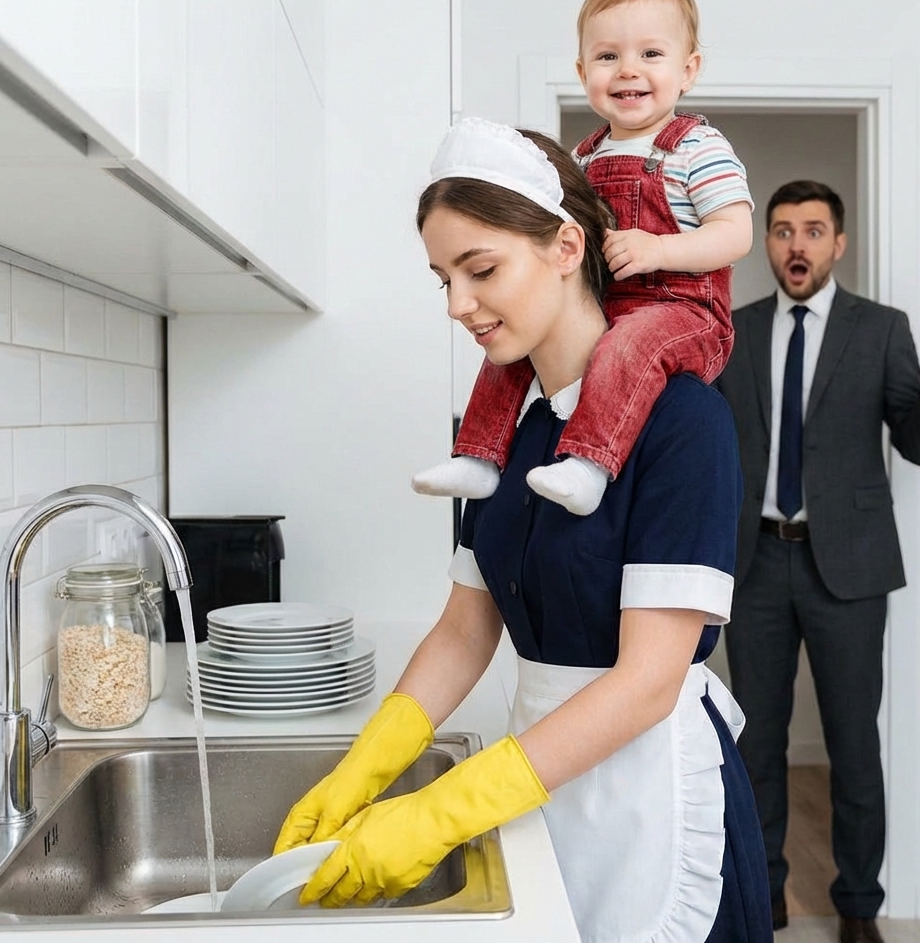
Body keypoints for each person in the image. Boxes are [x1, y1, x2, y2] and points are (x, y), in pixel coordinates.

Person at [274, 119, 774, 943]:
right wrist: (365, 766)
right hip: (536, 780)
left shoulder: (684, 421)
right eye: (443, 278)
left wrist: (445, 810)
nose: (457, 305)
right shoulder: (505, 433)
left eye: (481, 271)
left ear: (567, 246)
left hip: (647, 792)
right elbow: (465, 629)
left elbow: (648, 682)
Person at [716, 180, 920, 943]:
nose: (796, 245)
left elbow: (917, 446)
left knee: (854, 745)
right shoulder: (734, 331)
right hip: (754, 565)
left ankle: (859, 905)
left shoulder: (881, 329)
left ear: (838, 243)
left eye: (812, 230)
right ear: (767, 244)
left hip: (851, 572)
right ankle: (764, 895)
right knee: (755, 742)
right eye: (782, 231)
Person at [411, 0, 753, 517]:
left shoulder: (698, 148)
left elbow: (736, 233)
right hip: (611, 302)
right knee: (514, 349)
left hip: (685, 312)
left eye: (650, 54)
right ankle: (478, 456)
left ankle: (589, 464)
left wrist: (660, 250)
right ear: (582, 70)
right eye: (608, 56)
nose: (628, 70)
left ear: (688, 69)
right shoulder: (584, 157)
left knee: (627, 345)